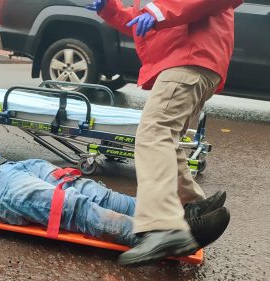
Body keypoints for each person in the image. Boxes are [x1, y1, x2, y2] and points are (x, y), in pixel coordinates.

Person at [0, 120, 230, 251]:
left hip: (10, 167)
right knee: (72, 207)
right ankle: (168, 236)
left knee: (94, 191)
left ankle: (182, 216)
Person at [86, 0, 242, 265]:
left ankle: (164, 226)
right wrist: (109, 9)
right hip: (193, 58)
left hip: (190, 57)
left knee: (154, 133)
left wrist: (158, 12)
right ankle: (192, 205)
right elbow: (141, 21)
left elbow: (159, 12)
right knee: (167, 138)